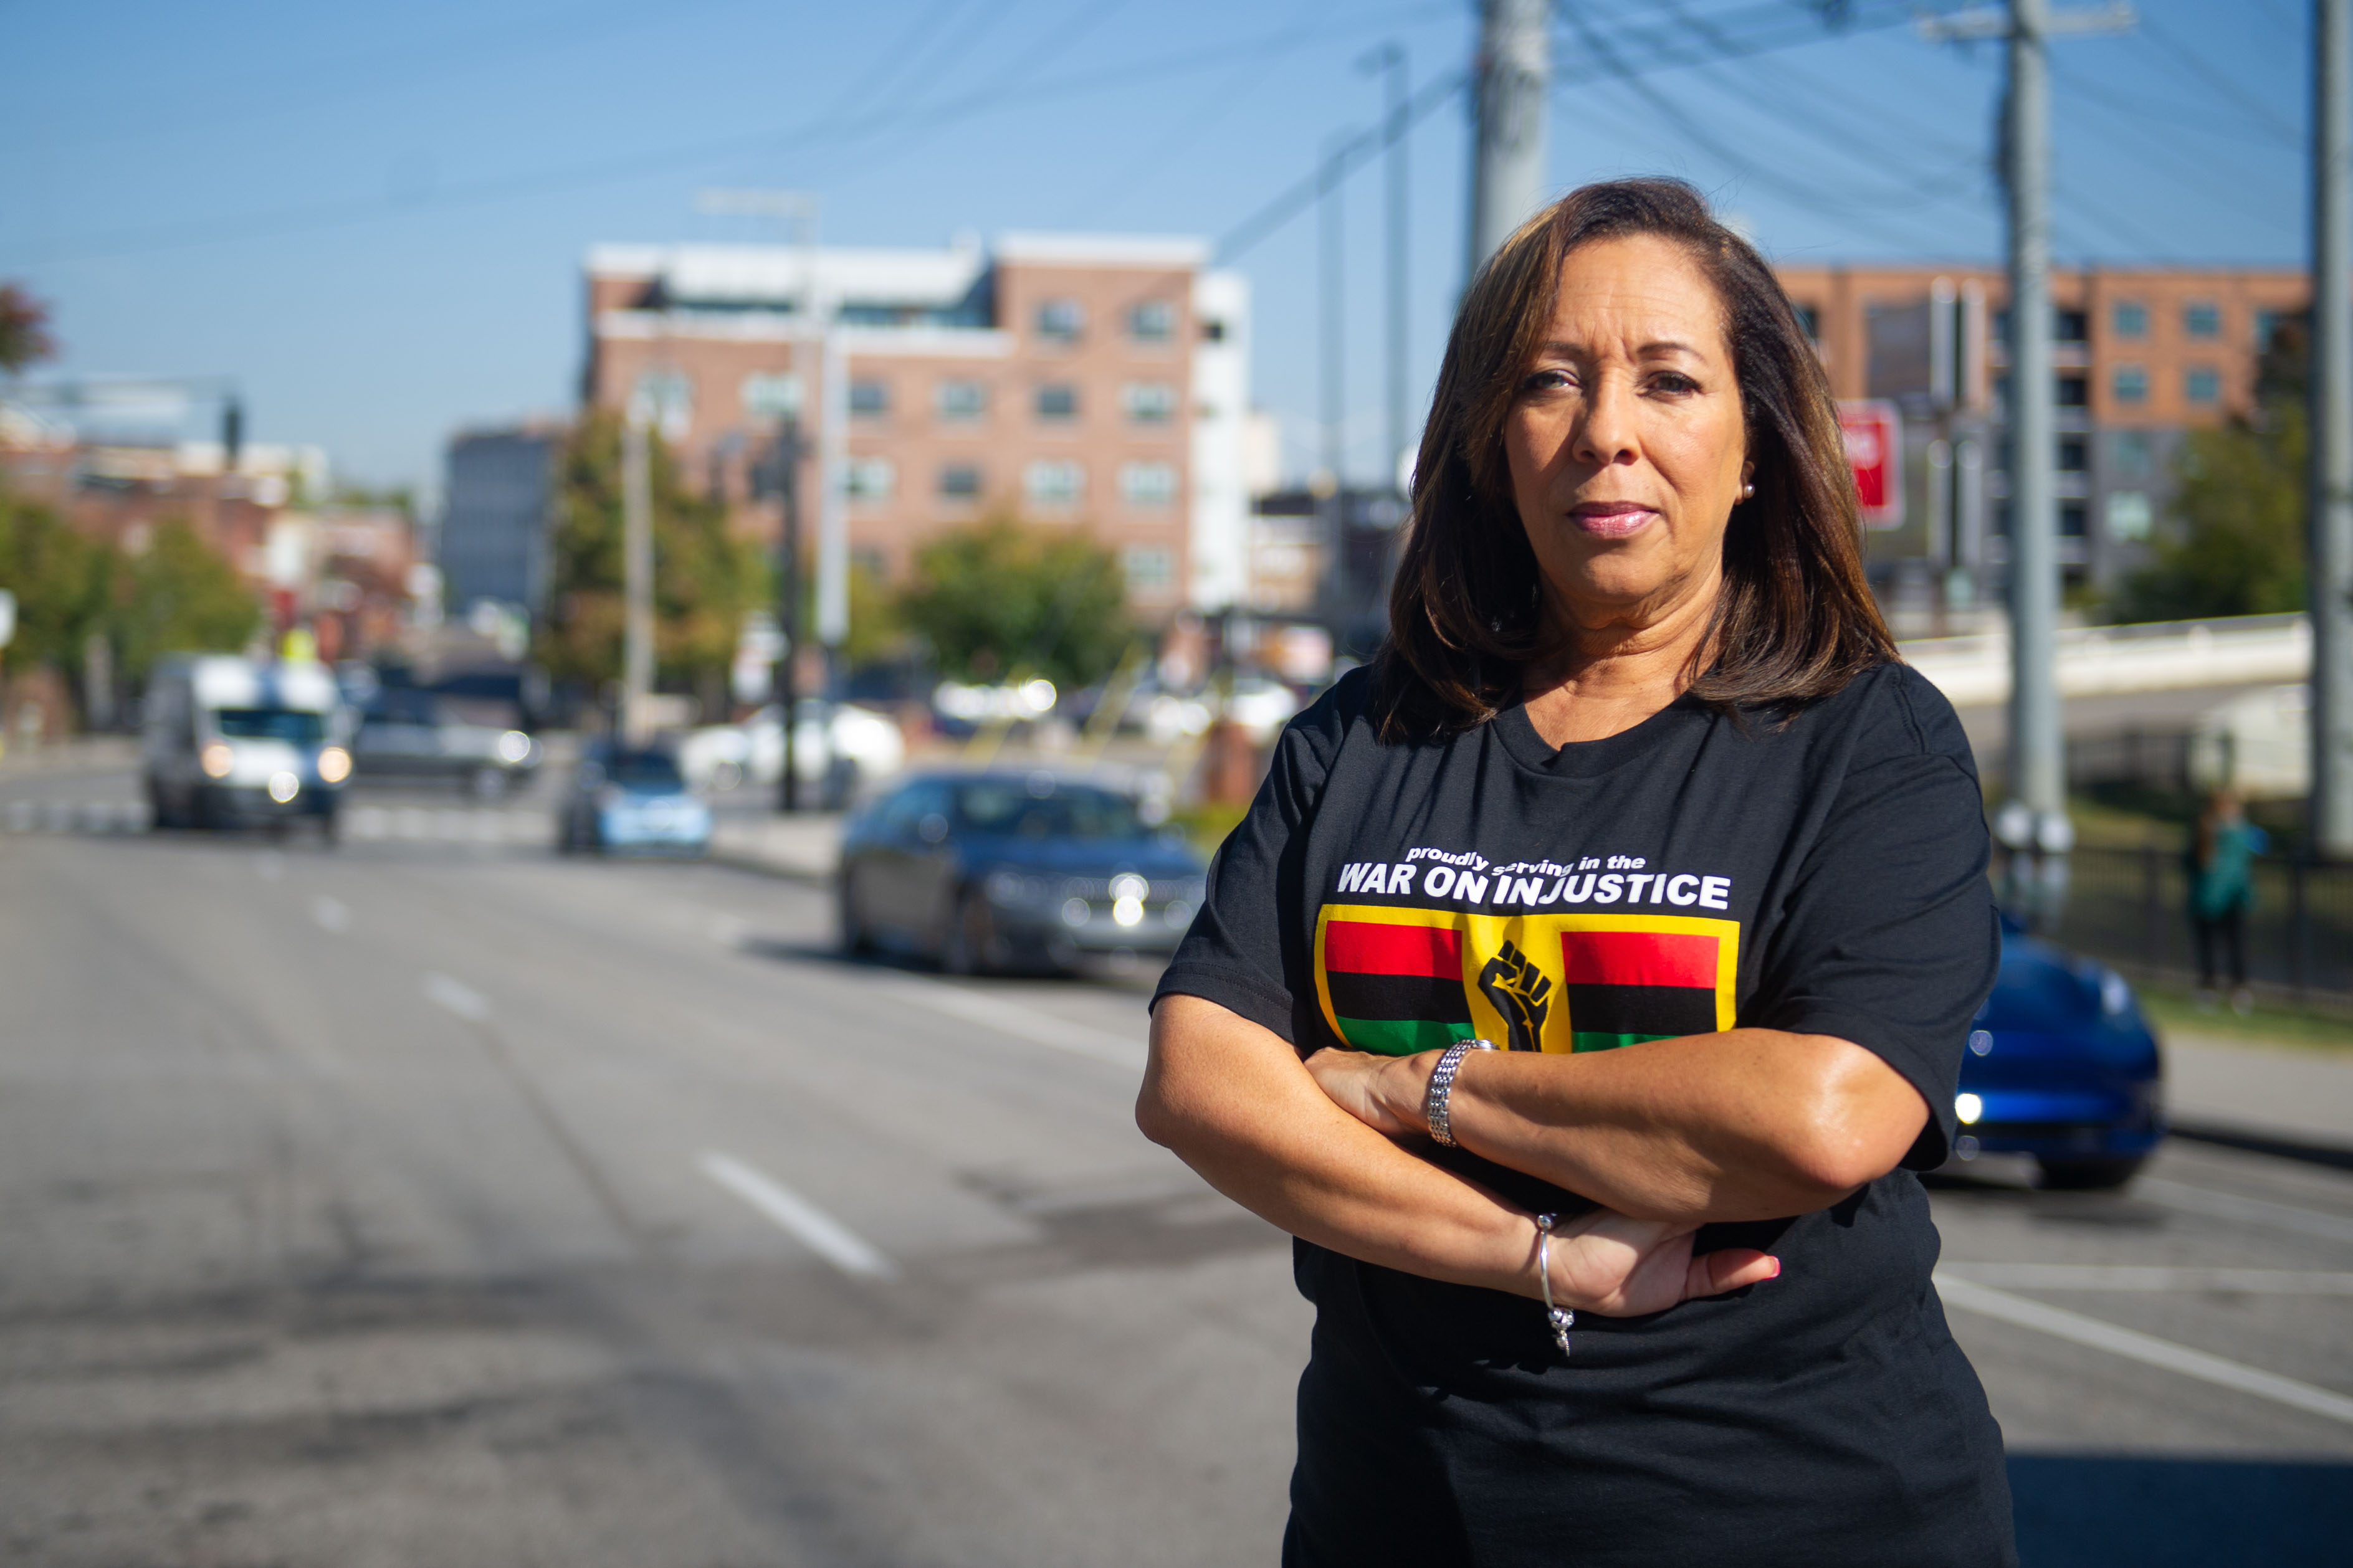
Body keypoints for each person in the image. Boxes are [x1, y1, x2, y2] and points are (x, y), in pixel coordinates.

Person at [1137, 179, 2012, 1567]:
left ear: (1750, 448)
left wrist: (1412, 1083)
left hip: (1800, 1516)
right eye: (1552, 381)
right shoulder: (1364, 735)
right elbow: (1198, 1080)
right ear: (1491, 445)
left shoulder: (1867, 742)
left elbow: (1822, 1113)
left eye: (1669, 381)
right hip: (1395, 1520)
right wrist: (1541, 1258)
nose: (1609, 432)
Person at [2188, 787, 2266, 1013]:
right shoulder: (2235, 834)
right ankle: (2233, 989)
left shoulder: (2206, 831)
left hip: (2216, 900)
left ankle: (2212, 988)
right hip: (2225, 900)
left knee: (2216, 947)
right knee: (2230, 947)